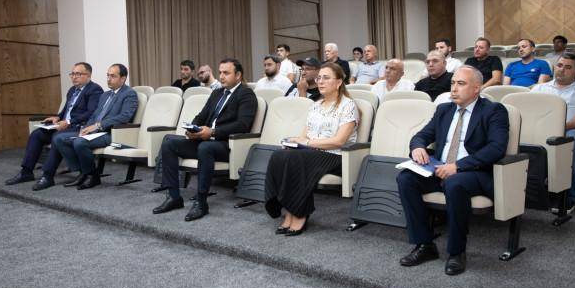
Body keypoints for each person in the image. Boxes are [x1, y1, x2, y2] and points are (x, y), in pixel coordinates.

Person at [397, 66, 509, 276]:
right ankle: (424, 244)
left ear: (476, 88)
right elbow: (421, 136)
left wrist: (458, 166)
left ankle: (457, 252)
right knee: (406, 178)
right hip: (441, 167)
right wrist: (418, 148)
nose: (454, 89)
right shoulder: (444, 110)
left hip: (475, 171)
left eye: (461, 84)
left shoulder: (494, 110)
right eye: (452, 83)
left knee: (454, 182)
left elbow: (496, 148)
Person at [153, 58, 258, 220]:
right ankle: (174, 197)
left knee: (205, 147)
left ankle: (201, 203)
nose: (221, 76)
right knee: (169, 142)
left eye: (226, 73)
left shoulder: (246, 94)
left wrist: (213, 132)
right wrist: (192, 128)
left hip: (228, 145)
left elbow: (243, 125)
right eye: (220, 72)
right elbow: (201, 116)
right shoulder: (217, 93)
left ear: (238, 75)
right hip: (206, 140)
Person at [265, 62, 358, 236]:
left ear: (339, 82)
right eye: (319, 78)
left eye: (326, 78)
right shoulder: (316, 104)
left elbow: (339, 141)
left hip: (336, 155)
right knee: (279, 155)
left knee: (295, 158)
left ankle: (300, 213)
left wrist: (306, 143)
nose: (320, 81)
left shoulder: (348, 105)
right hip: (312, 152)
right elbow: (304, 136)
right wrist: (293, 142)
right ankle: (288, 208)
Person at [5, 62, 103, 190]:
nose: (74, 77)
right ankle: (26, 172)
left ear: (88, 75)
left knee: (57, 137)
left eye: (78, 74)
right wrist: (57, 117)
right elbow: (67, 111)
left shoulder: (94, 90)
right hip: (64, 125)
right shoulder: (72, 90)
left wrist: (69, 122)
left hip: (79, 127)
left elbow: (91, 113)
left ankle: (47, 176)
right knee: (37, 134)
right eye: (72, 74)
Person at [531, 53, 575, 213]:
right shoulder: (540, 88)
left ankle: (568, 195)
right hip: (541, 131)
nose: (562, 70)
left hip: (571, 130)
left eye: (568, 67)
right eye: (560, 65)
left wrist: (561, 127)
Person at [54, 64, 139, 190]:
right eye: (108, 76)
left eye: (113, 76)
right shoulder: (105, 95)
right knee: (59, 139)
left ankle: (92, 176)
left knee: (79, 142)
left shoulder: (129, 94)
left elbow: (124, 117)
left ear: (123, 78)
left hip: (112, 133)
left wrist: (98, 125)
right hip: (96, 132)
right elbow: (94, 115)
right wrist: (86, 128)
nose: (108, 79)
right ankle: (82, 172)